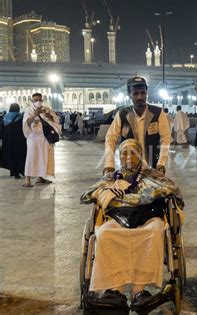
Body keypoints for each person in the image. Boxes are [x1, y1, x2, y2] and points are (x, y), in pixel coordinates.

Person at [81, 139, 184, 311]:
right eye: (124, 153)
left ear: (141, 156)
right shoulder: (111, 178)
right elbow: (85, 195)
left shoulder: (152, 175)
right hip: (119, 219)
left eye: (133, 153)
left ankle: (139, 291)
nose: (128, 157)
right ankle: (115, 291)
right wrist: (107, 193)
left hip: (148, 218)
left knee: (154, 232)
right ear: (119, 157)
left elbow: (174, 190)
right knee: (105, 234)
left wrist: (147, 195)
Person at [104, 76, 171, 176]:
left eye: (142, 93)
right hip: (129, 171)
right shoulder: (122, 114)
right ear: (129, 95)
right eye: (135, 94)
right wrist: (109, 165)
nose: (140, 97)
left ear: (146, 93)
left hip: (152, 169)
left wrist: (161, 164)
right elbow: (110, 138)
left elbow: (165, 139)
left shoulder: (157, 113)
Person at [22, 93, 61, 187]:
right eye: (35, 100)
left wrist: (48, 115)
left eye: (39, 100)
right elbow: (26, 123)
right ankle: (27, 179)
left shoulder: (47, 109)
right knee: (32, 157)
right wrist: (34, 115)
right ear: (32, 101)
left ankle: (40, 177)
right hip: (33, 137)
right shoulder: (29, 110)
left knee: (43, 157)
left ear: (42, 100)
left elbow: (56, 120)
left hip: (45, 137)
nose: (38, 102)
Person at [1, 103, 27, 178]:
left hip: (8, 139)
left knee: (11, 154)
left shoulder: (5, 117)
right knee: (21, 154)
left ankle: (14, 172)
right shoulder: (21, 116)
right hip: (19, 138)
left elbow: (2, 128)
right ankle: (22, 170)